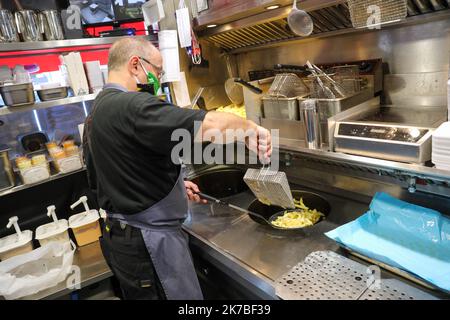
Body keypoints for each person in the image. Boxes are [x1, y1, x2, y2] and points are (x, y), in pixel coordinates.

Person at [83, 37, 272, 300]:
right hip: (148, 243)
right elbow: (206, 124)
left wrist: (170, 185)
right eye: (158, 71)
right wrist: (250, 128)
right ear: (135, 65)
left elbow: (109, 171)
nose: (158, 78)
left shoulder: (99, 109)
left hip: (122, 239)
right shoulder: (133, 106)